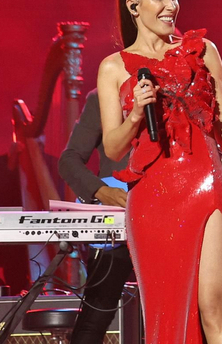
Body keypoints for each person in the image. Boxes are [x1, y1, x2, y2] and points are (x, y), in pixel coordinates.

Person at [97, 0, 222, 344]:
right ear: (134, 6)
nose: (171, 6)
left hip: (206, 185)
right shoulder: (113, 68)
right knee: (166, 312)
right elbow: (113, 147)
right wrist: (136, 113)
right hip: (152, 199)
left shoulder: (203, 51)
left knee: (215, 306)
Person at [58, 90, 132, 344]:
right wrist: (102, 191)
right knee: (96, 313)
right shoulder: (104, 97)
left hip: (170, 217)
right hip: (117, 217)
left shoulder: (179, 91)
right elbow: (69, 160)